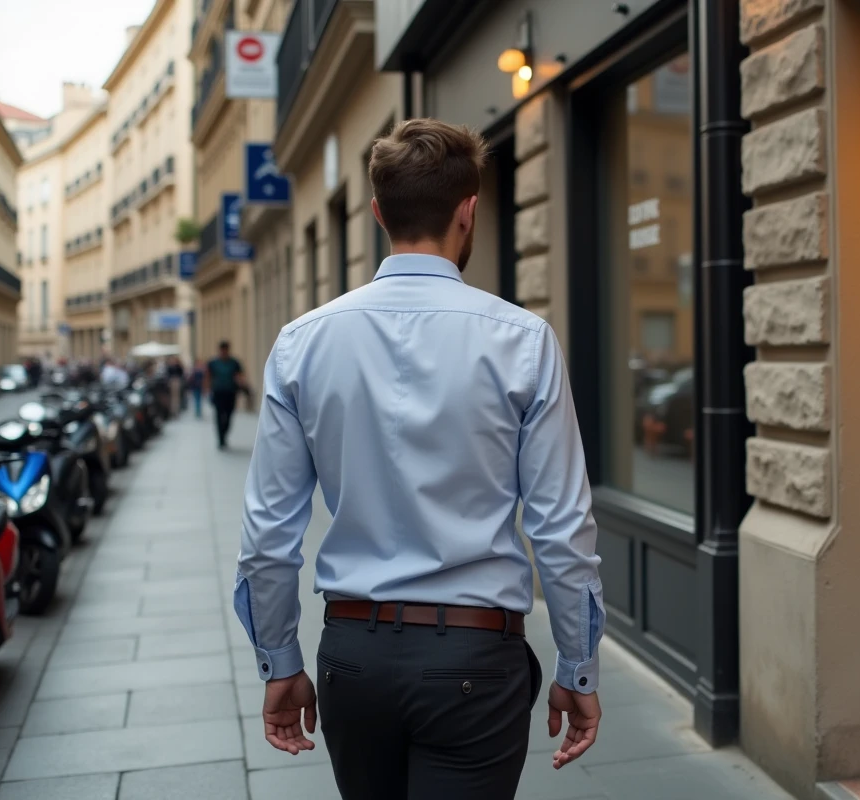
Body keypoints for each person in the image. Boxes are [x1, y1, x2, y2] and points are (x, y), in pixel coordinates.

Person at [235, 118, 603, 800]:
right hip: (475, 658)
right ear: (468, 211)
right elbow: (560, 527)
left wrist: (279, 661)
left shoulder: (300, 343)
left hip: (353, 658)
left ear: (378, 213)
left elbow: (267, 535)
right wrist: (577, 666)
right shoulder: (523, 341)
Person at [207, 342, 244, 449]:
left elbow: (239, 376)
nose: (224, 352)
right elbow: (208, 376)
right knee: (219, 415)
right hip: (218, 392)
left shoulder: (234, 363)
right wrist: (207, 389)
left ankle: (224, 432)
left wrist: (242, 386)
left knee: (229, 415)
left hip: (230, 392)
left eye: (225, 350)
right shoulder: (213, 363)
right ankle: (221, 439)